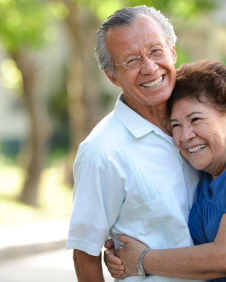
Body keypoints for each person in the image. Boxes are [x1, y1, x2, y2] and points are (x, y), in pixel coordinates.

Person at [104, 59, 226, 281]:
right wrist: (120, 251)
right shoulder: (206, 170)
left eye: (195, 119)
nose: (185, 136)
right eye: (176, 125)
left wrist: (142, 260)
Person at [66, 5, 203, 282]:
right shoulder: (102, 152)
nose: (150, 68)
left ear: (173, 53)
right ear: (111, 76)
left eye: (156, 51)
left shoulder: (202, 124)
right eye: (131, 61)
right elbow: (85, 252)